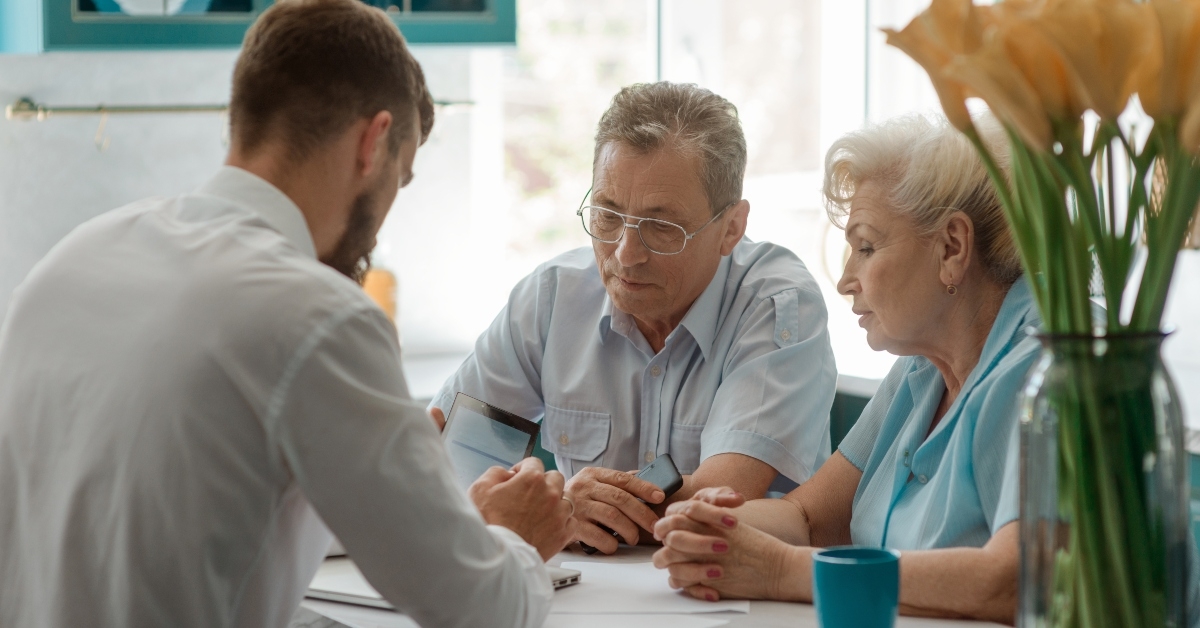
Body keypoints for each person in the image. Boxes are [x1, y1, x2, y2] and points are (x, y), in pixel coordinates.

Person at [0, 1, 573, 627]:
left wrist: (404, 490)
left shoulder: (73, 257)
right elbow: (482, 609)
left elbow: (184, 513)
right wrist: (514, 537)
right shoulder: (320, 316)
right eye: (398, 182)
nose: (381, 227)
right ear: (372, 142)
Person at [650, 114, 1037, 623]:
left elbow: (1015, 580)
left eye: (867, 247)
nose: (846, 281)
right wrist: (694, 522)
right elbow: (807, 520)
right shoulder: (920, 372)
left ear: (952, 248)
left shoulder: (1055, 366)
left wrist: (783, 571)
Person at [430, 82, 837, 555]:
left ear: (731, 229)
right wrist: (561, 503)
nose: (625, 254)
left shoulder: (778, 305)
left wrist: (556, 506)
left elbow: (720, 503)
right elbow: (453, 462)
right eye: (607, 215)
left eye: (661, 227)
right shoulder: (551, 298)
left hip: (733, 598)